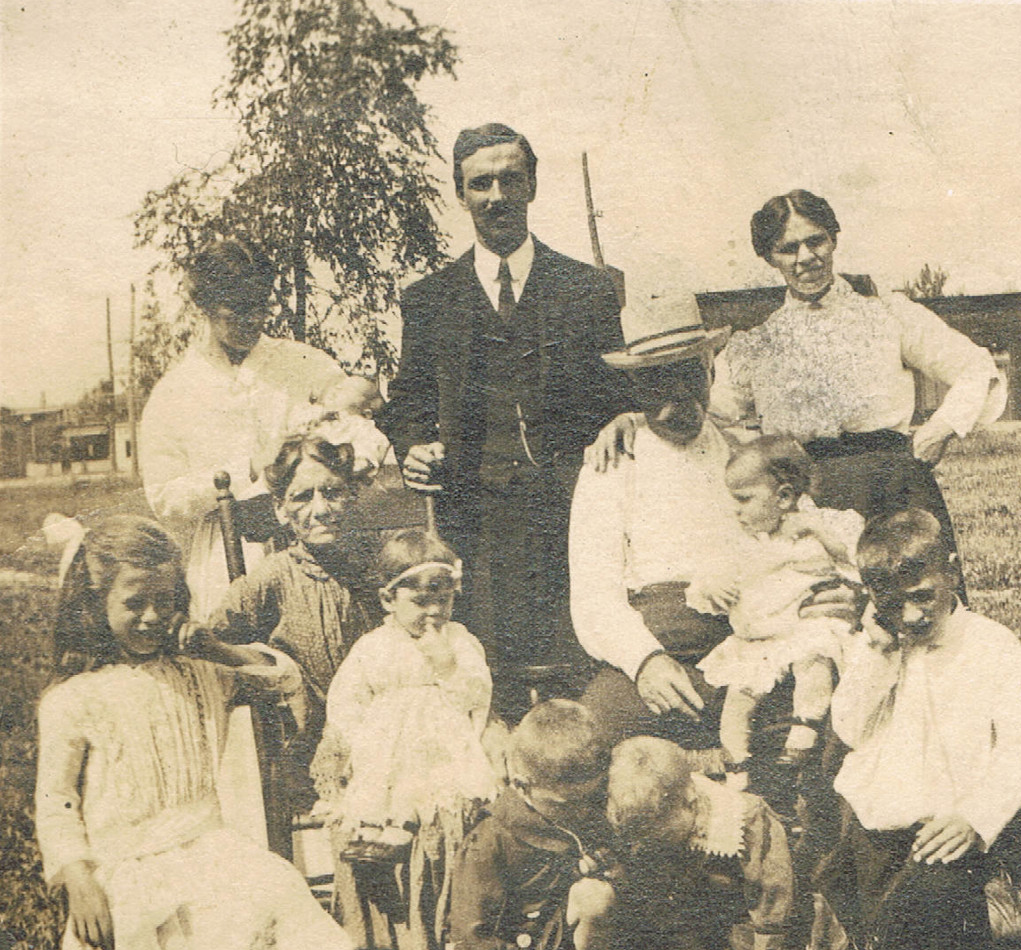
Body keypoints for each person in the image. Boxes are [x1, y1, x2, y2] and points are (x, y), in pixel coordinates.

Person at [33, 516, 359, 950]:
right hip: (129, 867)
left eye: (166, 600)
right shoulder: (74, 698)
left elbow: (286, 680)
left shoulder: (199, 672)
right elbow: (56, 801)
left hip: (207, 849)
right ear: (94, 605)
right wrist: (78, 876)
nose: (154, 616)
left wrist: (219, 649)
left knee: (269, 896)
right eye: (135, 602)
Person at [591, 191, 1004, 596]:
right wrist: (635, 419)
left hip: (892, 485)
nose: (806, 257)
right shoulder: (760, 342)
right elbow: (703, 407)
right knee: (830, 617)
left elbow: (976, 368)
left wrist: (940, 430)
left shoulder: (887, 314)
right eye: (788, 248)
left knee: (919, 607)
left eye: (816, 240)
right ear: (769, 258)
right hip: (811, 496)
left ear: (834, 238)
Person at [379, 123, 632, 720]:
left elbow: (620, 392)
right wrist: (411, 445)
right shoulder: (429, 300)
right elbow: (408, 399)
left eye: (510, 180)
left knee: (582, 662)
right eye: (481, 184)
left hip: (575, 515)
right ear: (461, 195)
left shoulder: (586, 290)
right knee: (488, 673)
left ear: (533, 185)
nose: (496, 196)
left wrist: (623, 416)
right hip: (477, 522)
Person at [570, 296, 857, 753]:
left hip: (767, 633)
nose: (671, 407)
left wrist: (844, 592)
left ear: (709, 369)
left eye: (686, 379)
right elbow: (592, 597)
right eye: (653, 387)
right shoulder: (613, 462)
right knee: (588, 746)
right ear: (632, 387)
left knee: (845, 721)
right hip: (665, 646)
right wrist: (645, 662)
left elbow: (810, 532)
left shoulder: (745, 450)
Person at [828, 509, 1021, 950]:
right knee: (886, 946)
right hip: (887, 822)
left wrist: (974, 817)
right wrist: (878, 652)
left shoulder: (992, 644)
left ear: (951, 570)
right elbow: (850, 728)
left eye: (923, 594)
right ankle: (949, 917)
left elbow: (1020, 746)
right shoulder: (880, 644)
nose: (912, 614)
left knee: (949, 881)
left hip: (964, 821)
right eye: (893, 602)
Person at [139, 238, 387, 620]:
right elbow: (165, 498)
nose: (252, 319)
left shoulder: (302, 362)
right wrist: (248, 469)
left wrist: (351, 463)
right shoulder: (175, 392)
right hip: (229, 555)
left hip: (321, 542)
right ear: (203, 306)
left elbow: (360, 422)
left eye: (259, 306)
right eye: (235, 309)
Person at [317, 529, 498, 950]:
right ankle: (394, 940)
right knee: (383, 814)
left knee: (444, 815)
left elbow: (476, 700)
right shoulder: (373, 648)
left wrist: (447, 669)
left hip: (443, 759)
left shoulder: (461, 643)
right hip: (386, 764)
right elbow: (346, 703)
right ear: (388, 599)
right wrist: (365, 749)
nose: (434, 611)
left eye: (443, 598)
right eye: (420, 601)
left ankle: (446, 935)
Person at [209, 433, 383, 857]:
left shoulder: (377, 567)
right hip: (312, 748)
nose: (320, 509)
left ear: (352, 495)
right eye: (302, 497)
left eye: (333, 493)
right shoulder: (272, 579)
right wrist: (272, 666)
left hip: (384, 736)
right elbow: (211, 639)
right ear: (280, 509)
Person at [606, 736, 846, 950]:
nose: (655, 843)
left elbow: (772, 892)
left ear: (690, 799)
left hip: (761, 918)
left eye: (663, 835)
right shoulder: (662, 824)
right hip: (708, 917)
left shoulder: (743, 821)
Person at [440, 699, 618, 950]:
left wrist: (604, 863)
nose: (583, 812)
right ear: (521, 785)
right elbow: (472, 938)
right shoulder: (489, 840)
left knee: (597, 896)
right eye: (567, 805)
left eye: (591, 798)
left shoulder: (579, 813)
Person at [687, 436, 864, 782]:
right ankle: (736, 762)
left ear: (784, 497)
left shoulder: (823, 528)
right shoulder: (741, 541)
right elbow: (705, 578)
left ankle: (805, 728)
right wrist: (712, 586)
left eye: (744, 499)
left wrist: (816, 529)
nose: (736, 510)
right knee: (739, 697)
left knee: (814, 659)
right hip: (760, 640)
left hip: (806, 627)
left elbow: (856, 559)